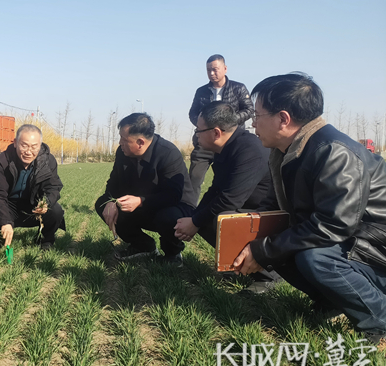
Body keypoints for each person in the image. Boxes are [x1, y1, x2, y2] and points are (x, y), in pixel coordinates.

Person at [234, 73, 386, 345]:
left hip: (375, 246)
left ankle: (379, 320)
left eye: (256, 116)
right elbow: (276, 209)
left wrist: (264, 249)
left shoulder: (333, 152)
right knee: (283, 246)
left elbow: (334, 225)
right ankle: (333, 302)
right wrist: (249, 239)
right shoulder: (287, 151)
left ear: (283, 118)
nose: (252, 124)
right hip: (350, 239)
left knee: (314, 258)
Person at [174, 101, 281, 293]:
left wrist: (195, 222)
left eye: (198, 130)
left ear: (216, 133)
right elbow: (216, 190)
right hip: (250, 209)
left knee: (221, 220)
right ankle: (241, 266)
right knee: (207, 218)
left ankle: (269, 275)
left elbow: (230, 200)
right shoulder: (230, 147)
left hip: (270, 215)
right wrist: (194, 218)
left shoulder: (249, 150)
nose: (196, 136)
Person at [95, 113, 196, 266]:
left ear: (140, 142)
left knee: (167, 216)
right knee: (102, 204)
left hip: (173, 206)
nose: (120, 142)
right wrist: (110, 200)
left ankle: (173, 253)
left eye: (124, 139)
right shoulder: (122, 152)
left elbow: (173, 195)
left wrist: (141, 201)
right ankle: (142, 246)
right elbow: (114, 181)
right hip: (140, 204)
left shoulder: (168, 153)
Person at [188, 54, 254, 204]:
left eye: (215, 69)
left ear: (225, 69)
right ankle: (187, 211)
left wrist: (228, 123)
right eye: (208, 70)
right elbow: (192, 113)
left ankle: (225, 214)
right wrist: (203, 127)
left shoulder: (238, 88)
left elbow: (249, 109)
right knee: (194, 179)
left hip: (229, 144)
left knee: (228, 180)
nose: (212, 73)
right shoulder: (201, 91)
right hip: (204, 142)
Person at [0, 124, 65, 250]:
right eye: (24, 145)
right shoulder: (2, 162)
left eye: (34, 147)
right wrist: (5, 221)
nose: (29, 152)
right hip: (9, 206)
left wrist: (46, 203)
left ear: (40, 145)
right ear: (15, 143)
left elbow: (53, 187)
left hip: (34, 206)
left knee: (55, 210)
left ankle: (45, 241)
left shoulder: (48, 161)